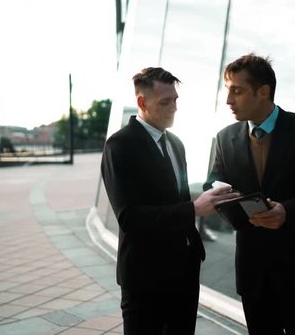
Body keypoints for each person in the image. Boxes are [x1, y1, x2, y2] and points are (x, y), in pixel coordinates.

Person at [204, 54, 295, 334]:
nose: (229, 100)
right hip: (253, 272)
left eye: (237, 90)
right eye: (227, 91)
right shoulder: (224, 138)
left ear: (263, 92)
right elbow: (214, 181)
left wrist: (288, 212)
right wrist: (219, 191)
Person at [101, 67, 238, 335]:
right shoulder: (119, 146)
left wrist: (205, 200)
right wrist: (193, 209)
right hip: (144, 278)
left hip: (184, 272)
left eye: (175, 99)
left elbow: (176, 198)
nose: (174, 107)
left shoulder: (176, 143)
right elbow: (129, 217)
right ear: (142, 103)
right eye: (165, 102)